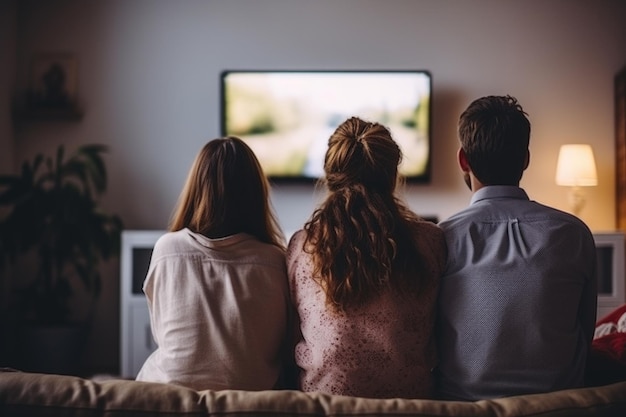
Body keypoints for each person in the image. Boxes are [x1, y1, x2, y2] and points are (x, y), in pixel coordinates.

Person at [435, 95, 598, 401]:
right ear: (525, 158)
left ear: (463, 160)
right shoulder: (574, 234)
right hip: (558, 406)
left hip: (464, 407)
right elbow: (584, 334)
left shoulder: (442, 239)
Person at [287, 116, 447, 399]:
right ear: (392, 176)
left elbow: (290, 334)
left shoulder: (303, 245)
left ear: (330, 175)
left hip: (324, 405)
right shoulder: (431, 241)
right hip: (412, 405)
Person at [136, 136, 292, 391]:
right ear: (255, 194)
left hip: (168, 399)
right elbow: (283, 349)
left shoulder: (167, 250)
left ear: (196, 189)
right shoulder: (275, 262)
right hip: (250, 402)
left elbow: (161, 333)